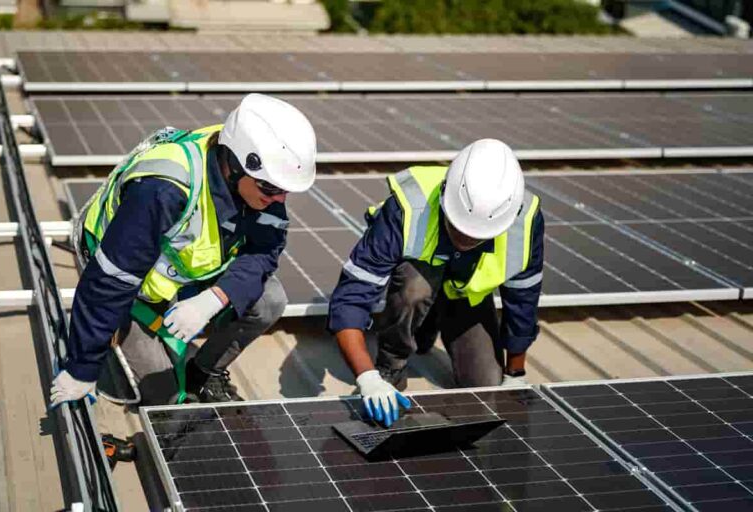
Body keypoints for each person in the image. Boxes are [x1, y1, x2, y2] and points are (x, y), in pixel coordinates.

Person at [50, 93, 317, 406]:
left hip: (183, 276)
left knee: (270, 300)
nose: (280, 200)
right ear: (234, 164)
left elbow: (263, 254)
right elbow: (109, 280)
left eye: (285, 190)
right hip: (127, 283)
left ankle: (205, 372)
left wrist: (212, 299)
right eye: (271, 188)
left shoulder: (264, 187)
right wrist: (82, 368)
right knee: (165, 399)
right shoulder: (164, 189)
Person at [329, 139, 544, 426]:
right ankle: (391, 367)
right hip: (416, 287)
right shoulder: (408, 207)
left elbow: (523, 303)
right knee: (415, 288)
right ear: (445, 197)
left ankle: (430, 324)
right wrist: (368, 378)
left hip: (463, 298)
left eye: (477, 235)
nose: (466, 239)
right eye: (458, 227)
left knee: (486, 385)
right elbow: (351, 297)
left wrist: (516, 375)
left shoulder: (524, 223)